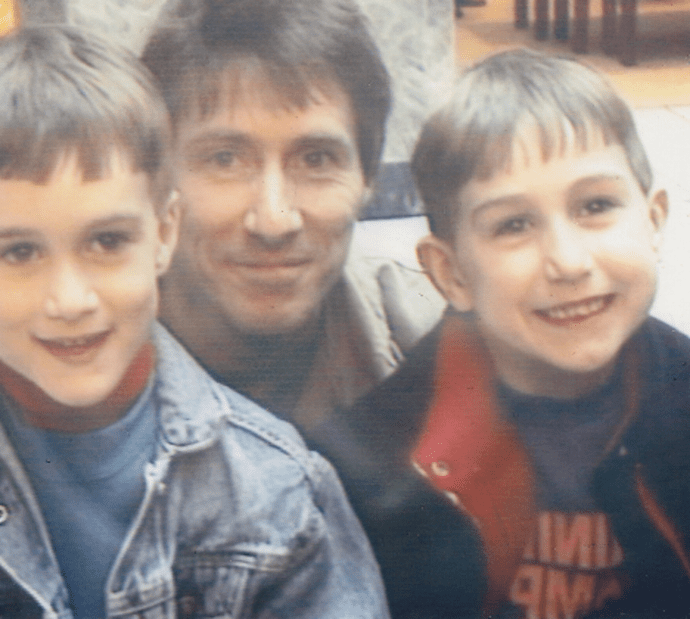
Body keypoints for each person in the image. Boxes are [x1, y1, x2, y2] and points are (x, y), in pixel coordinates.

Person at [0, 25, 389, 618]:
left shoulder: (276, 490)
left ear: (164, 232)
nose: (70, 300)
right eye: (18, 252)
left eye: (107, 241)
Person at [318, 48, 690, 619]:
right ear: (452, 274)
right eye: (514, 225)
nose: (568, 261)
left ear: (655, 221)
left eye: (595, 205)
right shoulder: (378, 460)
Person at [140, 0, 445, 438]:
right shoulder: (74, 360)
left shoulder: (442, 339)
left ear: (367, 179)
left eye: (315, 159)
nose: (274, 221)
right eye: (225, 160)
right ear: (156, 183)